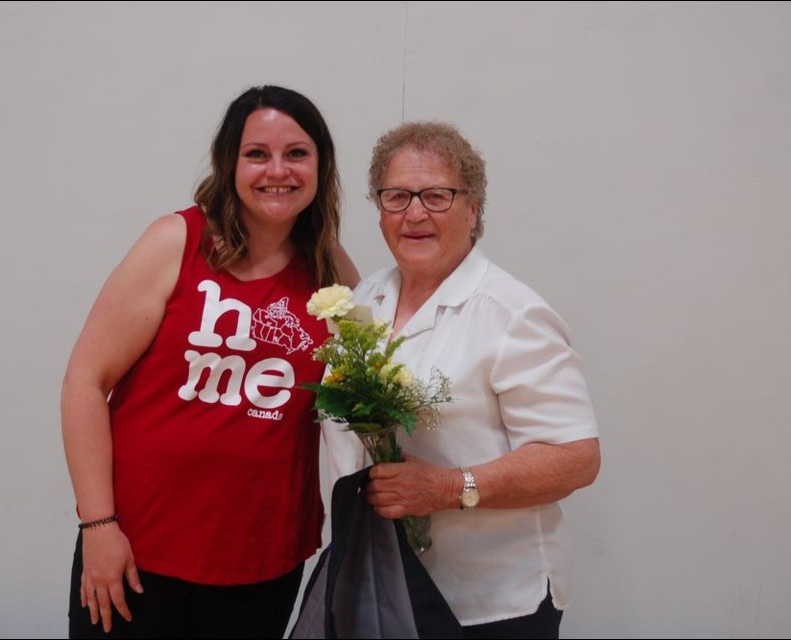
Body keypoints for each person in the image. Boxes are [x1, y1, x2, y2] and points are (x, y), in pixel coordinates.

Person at [61, 85, 360, 638]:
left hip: (261, 561)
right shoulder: (175, 240)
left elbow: (365, 397)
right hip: (137, 552)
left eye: (297, 153)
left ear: (320, 166)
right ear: (230, 163)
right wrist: (97, 525)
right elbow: (85, 380)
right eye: (257, 154)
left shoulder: (331, 273)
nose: (278, 170)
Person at [323, 121, 600, 639]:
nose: (415, 213)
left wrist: (451, 488)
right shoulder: (363, 304)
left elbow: (576, 458)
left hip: (489, 603)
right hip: (382, 590)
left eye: (437, 196)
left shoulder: (512, 314)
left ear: (473, 210)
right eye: (397, 196)